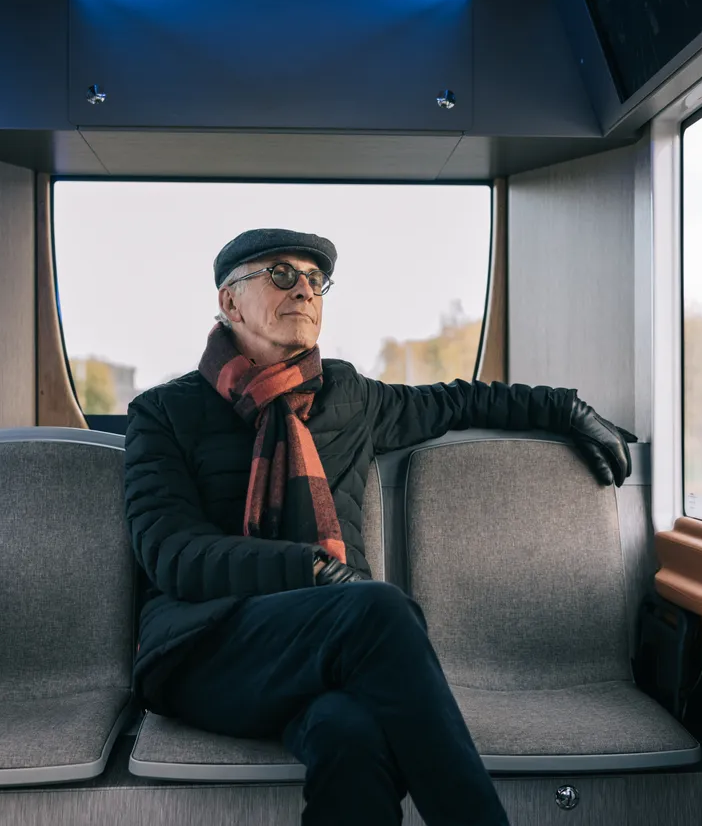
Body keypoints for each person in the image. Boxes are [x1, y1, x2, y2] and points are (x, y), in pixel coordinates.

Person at [123, 228, 634, 826]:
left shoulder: (349, 397)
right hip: (207, 650)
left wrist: (566, 410)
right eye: (283, 275)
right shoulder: (164, 413)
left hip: (330, 649)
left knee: (353, 735)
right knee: (380, 609)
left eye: (317, 281)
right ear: (230, 302)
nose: (305, 291)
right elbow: (171, 553)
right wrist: (310, 569)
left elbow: (459, 402)